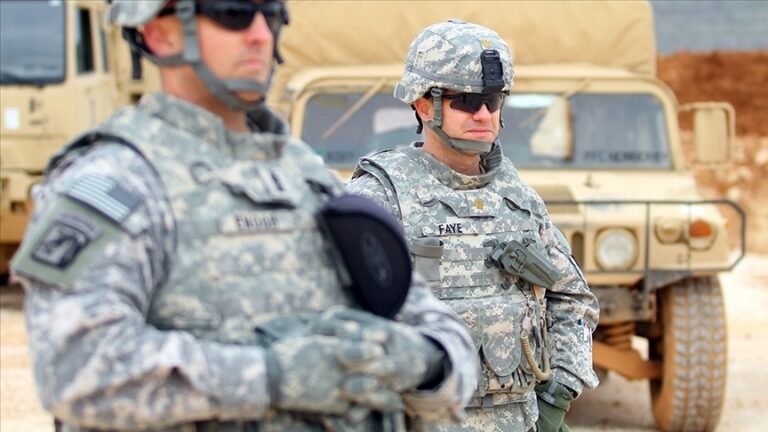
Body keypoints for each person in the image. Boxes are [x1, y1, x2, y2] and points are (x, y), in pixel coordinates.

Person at [9, 2, 478, 431]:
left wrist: (422, 362)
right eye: (233, 13)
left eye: (270, 16)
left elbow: (443, 334)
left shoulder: (307, 176)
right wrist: (273, 376)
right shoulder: (118, 181)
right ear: (160, 33)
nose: (259, 35)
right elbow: (76, 368)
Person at [346, 20, 600, 432]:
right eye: (466, 101)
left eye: (492, 100)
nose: (483, 114)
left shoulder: (518, 199)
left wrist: (556, 399)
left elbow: (573, 300)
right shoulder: (379, 197)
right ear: (424, 106)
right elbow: (339, 318)